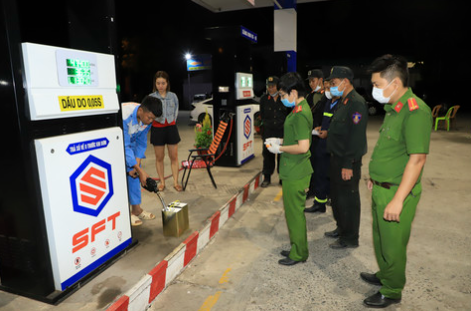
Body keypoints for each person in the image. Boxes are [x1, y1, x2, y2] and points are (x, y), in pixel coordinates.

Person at [361, 54, 432, 308]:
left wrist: (398, 200)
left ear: (395, 83)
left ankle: (392, 290)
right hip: (382, 187)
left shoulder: (415, 111)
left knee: (393, 245)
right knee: (381, 238)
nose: (374, 90)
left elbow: (417, 159)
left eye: (377, 85)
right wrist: (375, 177)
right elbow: (389, 151)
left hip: (397, 193)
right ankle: (385, 274)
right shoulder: (394, 108)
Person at [265, 72, 313, 266]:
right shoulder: (298, 109)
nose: (282, 99)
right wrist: (281, 141)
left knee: (295, 214)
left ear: (293, 92)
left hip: (296, 171)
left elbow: (303, 146)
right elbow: (296, 138)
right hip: (293, 169)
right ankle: (296, 247)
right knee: (292, 213)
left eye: (284, 95)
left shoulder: (300, 114)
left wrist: (281, 148)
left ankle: (299, 253)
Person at [324, 66, 368, 249]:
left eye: (333, 83)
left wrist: (348, 164)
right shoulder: (343, 101)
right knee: (337, 198)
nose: (331, 87)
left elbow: (356, 137)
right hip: (336, 159)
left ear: (345, 81)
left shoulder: (356, 103)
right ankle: (341, 228)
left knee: (348, 201)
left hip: (346, 161)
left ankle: (350, 238)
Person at [122, 96, 163, 226]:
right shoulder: (124, 116)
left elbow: (141, 142)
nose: (150, 121)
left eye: (153, 119)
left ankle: (136, 210)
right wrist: (139, 169)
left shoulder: (146, 120)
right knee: (122, 179)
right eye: (149, 118)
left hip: (132, 143)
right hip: (117, 144)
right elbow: (124, 145)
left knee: (134, 174)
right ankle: (125, 214)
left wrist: (137, 165)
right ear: (141, 111)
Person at [304, 78, 340, 213]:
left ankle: (334, 202)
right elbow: (325, 120)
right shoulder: (328, 102)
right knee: (320, 174)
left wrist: (328, 132)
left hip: (333, 147)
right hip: (322, 145)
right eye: (327, 87)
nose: (328, 90)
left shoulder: (342, 104)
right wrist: (320, 128)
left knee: (332, 176)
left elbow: (342, 127)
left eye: (331, 86)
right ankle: (319, 203)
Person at [150, 71, 182, 192]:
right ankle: (162, 183)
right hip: (157, 129)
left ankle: (175, 182)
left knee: (174, 156)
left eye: (163, 83)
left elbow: (176, 110)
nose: (161, 85)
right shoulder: (152, 97)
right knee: (159, 157)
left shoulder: (173, 96)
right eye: (158, 83)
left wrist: (172, 120)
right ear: (155, 84)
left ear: (167, 83)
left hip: (171, 128)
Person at [259, 76, 288, 187]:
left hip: (282, 132)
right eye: (269, 86)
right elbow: (262, 115)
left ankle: (282, 178)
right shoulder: (264, 99)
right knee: (268, 155)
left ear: (278, 86)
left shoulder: (284, 98)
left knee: (282, 156)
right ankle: (267, 177)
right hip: (269, 132)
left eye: (273, 86)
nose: (270, 89)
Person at [305, 69, 328, 198]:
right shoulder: (309, 96)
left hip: (325, 136)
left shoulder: (328, 96)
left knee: (324, 166)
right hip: (313, 136)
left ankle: (327, 193)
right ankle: (312, 190)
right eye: (309, 82)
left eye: (313, 81)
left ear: (320, 80)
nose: (311, 84)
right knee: (313, 163)